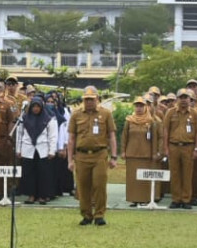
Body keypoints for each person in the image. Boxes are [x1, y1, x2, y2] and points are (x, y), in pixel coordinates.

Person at [67, 86, 117, 225]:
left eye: (91, 99)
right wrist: (70, 160)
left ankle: (99, 215)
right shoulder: (76, 114)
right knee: (83, 187)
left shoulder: (106, 114)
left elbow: (112, 136)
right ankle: (86, 215)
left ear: (97, 99)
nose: (89, 102)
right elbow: (71, 138)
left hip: (99, 154)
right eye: (86, 99)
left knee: (99, 185)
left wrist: (114, 157)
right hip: (81, 155)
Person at [163, 89, 197, 209]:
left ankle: (186, 199)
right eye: (181, 97)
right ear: (177, 99)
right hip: (173, 146)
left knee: (187, 174)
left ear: (190, 100)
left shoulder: (195, 114)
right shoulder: (170, 112)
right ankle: (176, 199)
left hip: (189, 147)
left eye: (186, 98)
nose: (184, 100)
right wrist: (165, 148)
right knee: (175, 174)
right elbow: (165, 130)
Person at [15, 94, 58, 204]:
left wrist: (52, 150)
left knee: (43, 173)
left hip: (43, 149)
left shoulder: (49, 118)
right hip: (28, 149)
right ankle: (31, 195)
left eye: (38, 106)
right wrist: (18, 150)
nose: (36, 108)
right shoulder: (24, 118)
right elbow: (19, 135)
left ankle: (42, 196)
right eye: (34, 106)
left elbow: (53, 136)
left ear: (41, 107)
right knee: (29, 173)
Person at [122, 97, 162, 207]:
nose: (139, 108)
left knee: (144, 178)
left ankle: (144, 199)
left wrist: (155, 153)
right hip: (132, 153)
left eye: (141, 106)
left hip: (146, 154)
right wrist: (123, 151)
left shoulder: (151, 121)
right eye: (137, 106)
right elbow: (124, 136)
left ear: (146, 107)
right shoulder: (129, 120)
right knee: (132, 178)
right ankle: (134, 199)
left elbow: (155, 138)